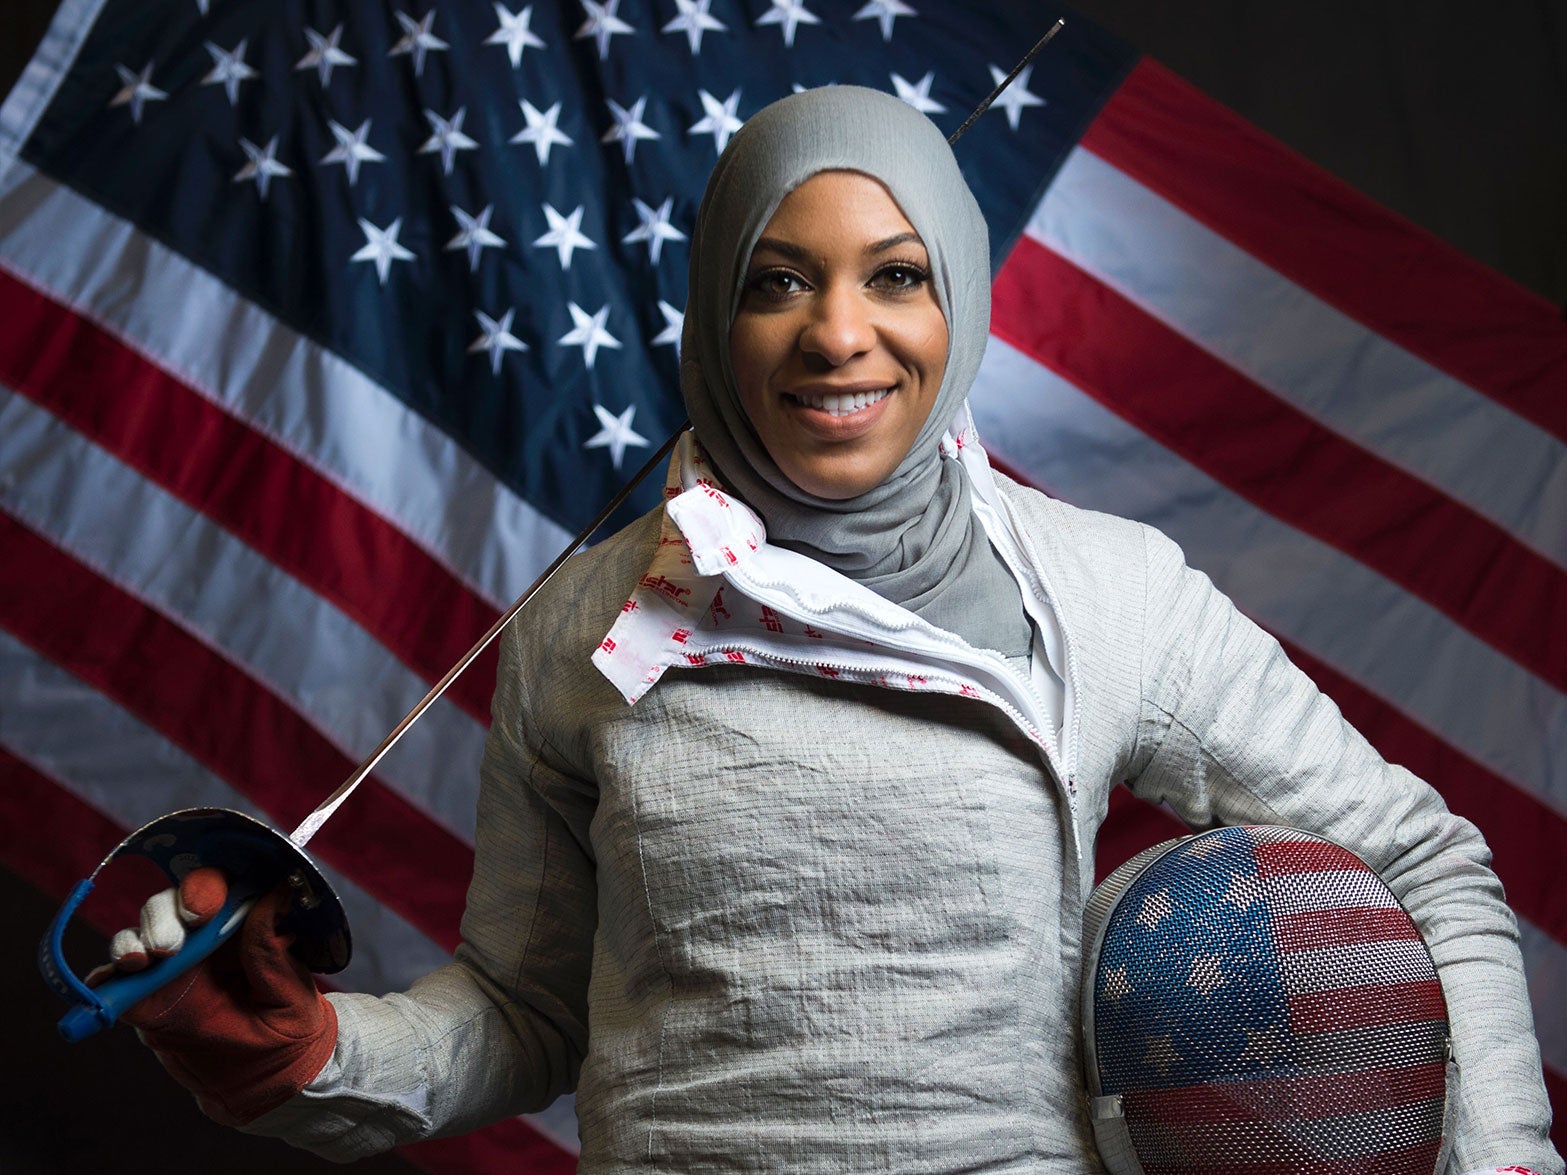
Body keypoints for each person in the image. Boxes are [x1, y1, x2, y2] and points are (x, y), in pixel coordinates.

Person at [100, 85, 1561, 1173]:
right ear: (712, 317)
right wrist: (321, 1055)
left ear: (963, 304)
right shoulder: (583, 628)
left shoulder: (1108, 594)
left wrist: (1502, 1165)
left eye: (897, 274)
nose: (838, 335)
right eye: (778, 280)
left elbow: (1424, 860)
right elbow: (525, 1013)